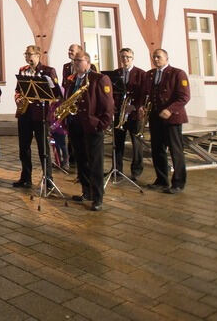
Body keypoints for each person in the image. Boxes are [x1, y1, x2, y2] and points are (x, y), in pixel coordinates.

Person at [65, 49, 114, 211]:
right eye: (74, 61)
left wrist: (101, 125)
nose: (75, 63)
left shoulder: (99, 79)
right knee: (81, 161)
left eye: (79, 61)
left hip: (93, 126)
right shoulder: (72, 80)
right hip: (75, 125)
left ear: (87, 62)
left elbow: (108, 105)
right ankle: (86, 192)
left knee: (95, 163)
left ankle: (98, 197)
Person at [13, 45, 61, 190]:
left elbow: (56, 92)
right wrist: (18, 98)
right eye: (26, 54)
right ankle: (26, 177)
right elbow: (18, 89)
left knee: (43, 148)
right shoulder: (23, 70)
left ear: (38, 55)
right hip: (25, 114)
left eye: (30, 54)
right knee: (24, 147)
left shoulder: (48, 71)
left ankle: (48, 179)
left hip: (41, 115)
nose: (28, 57)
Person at [143, 48, 190, 194]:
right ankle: (162, 180)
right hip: (155, 118)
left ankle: (178, 183)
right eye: (154, 57)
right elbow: (147, 94)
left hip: (172, 118)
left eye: (159, 57)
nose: (156, 59)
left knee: (175, 150)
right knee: (157, 150)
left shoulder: (177, 73)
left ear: (166, 58)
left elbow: (184, 97)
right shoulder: (150, 74)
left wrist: (170, 109)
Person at [111, 48, 147, 181]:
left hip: (134, 113)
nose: (125, 59)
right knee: (117, 142)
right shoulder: (116, 73)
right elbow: (112, 92)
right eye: (123, 57)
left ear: (133, 58)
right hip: (119, 111)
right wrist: (114, 106)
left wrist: (135, 107)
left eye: (128, 57)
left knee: (136, 143)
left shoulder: (141, 74)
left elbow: (144, 93)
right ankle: (117, 170)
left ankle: (136, 171)